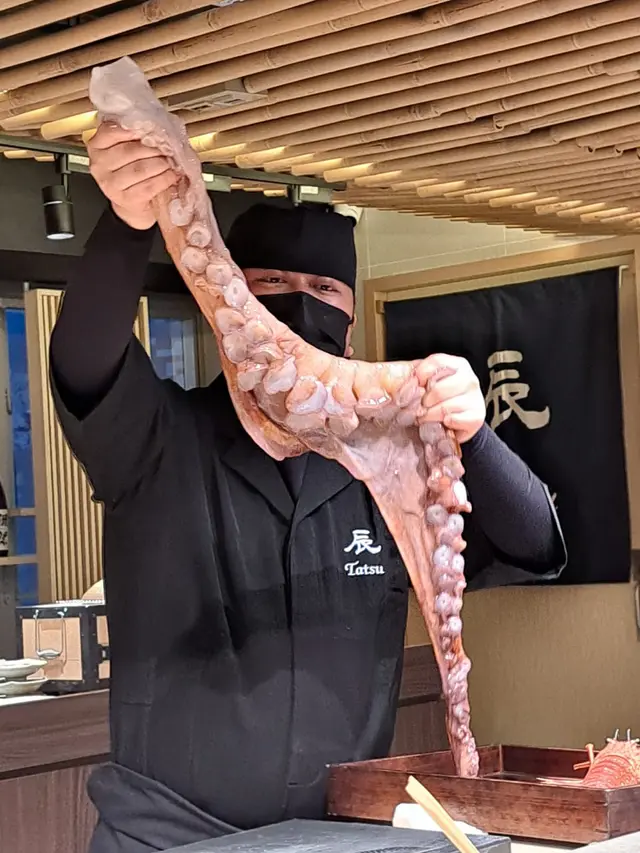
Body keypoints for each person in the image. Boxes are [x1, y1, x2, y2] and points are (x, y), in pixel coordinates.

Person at [49, 123, 566, 853]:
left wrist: (472, 435)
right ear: (229, 314)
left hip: (337, 836)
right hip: (169, 839)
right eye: (270, 286)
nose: (298, 308)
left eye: (323, 289)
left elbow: (536, 543)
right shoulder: (158, 439)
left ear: (348, 328)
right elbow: (83, 359)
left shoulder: (388, 473)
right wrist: (127, 225)